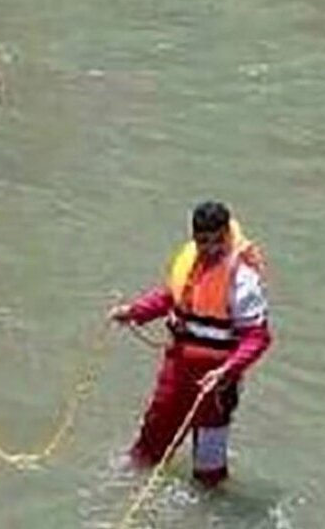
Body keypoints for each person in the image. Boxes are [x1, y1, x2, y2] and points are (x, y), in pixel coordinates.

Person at [109, 201, 274, 487]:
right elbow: (169, 297)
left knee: (209, 463)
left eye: (217, 240)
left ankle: (209, 503)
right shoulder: (190, 263)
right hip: (178, 367)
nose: (210, 248)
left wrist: (227, 371)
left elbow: (257, 337)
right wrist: (135, 311)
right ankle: (130, 485)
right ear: (194, 237)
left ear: (227, 234)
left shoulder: (243, 279)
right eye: (203, 241)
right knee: (151, 439)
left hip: (217, 380)